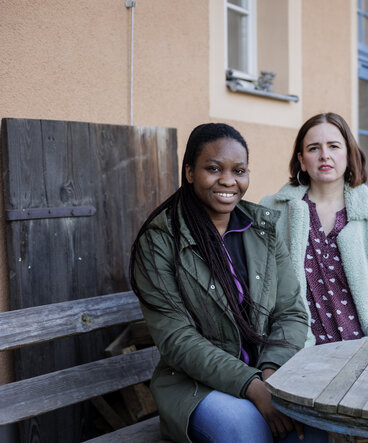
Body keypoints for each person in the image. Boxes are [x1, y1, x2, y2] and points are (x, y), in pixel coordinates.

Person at [130, 123, 328, 443]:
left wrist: (270, 374)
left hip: (268, 373)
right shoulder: (160, 241)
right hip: (194, 385)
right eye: (213, 168)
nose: (228, 180)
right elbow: (177, 340)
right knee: (245, 429)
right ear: (190, 172)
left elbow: (291, 311)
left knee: (317, 427)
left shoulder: (262, 228)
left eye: (239, 170)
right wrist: (252, 386)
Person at [260, 112, 368, 347]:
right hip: (298, 358)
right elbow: (261, 288)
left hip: (366, 357)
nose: (325, 155)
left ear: (348, 154)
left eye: (333, 146)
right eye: (314, 148)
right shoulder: (273, 211)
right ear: (301, 160)